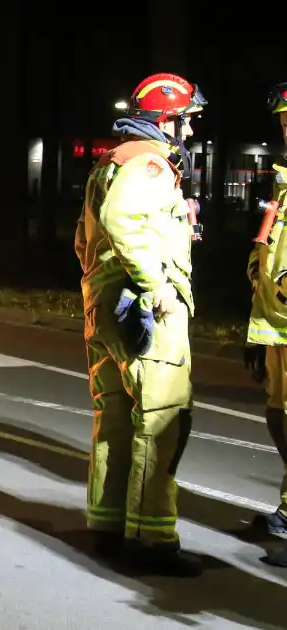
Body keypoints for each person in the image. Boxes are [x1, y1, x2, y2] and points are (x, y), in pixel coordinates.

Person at [73, 72, 206, 577]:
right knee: (161, 418)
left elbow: (84, 240)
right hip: (146, 307)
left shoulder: (113, 162)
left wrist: (99, 291)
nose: (190, 134)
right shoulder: (149, 164)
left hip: (107, 303)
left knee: (114, 416)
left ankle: (106, 525)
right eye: (187, 122)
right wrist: (156, 287)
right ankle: (153, 540)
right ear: (166, 119)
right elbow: (122, 218)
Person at [245, 82, 287, 565]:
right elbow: (267, 251)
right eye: (283, 120)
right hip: (276, 321)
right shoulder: (283, 179)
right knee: (280, 418)